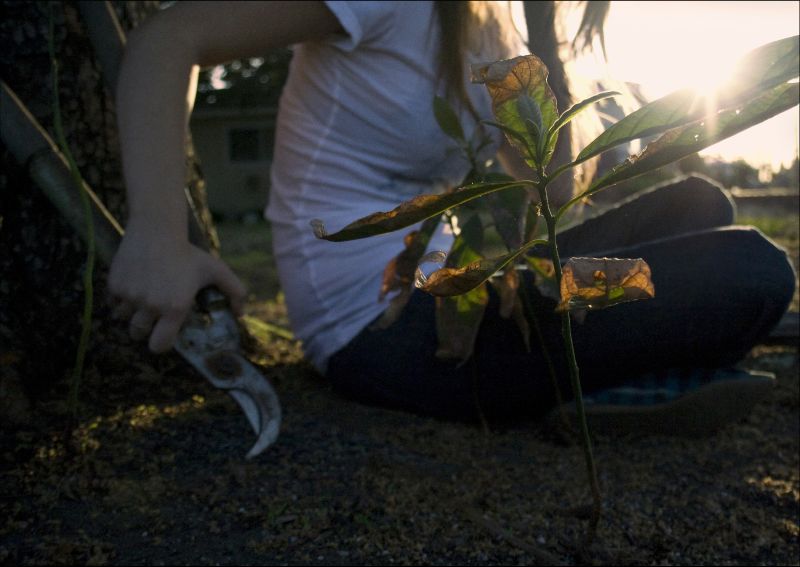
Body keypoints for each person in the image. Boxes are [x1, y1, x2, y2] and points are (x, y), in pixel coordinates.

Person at [108, 1, 795, 430]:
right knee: (753, 268)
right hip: (381, 325)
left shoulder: (493, 25)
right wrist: (158, 232)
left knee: (701, 202)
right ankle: (641, 366)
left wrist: (541, 39)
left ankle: (631, 370)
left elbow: (554, 199)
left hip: (469, 281)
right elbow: (170, 38)